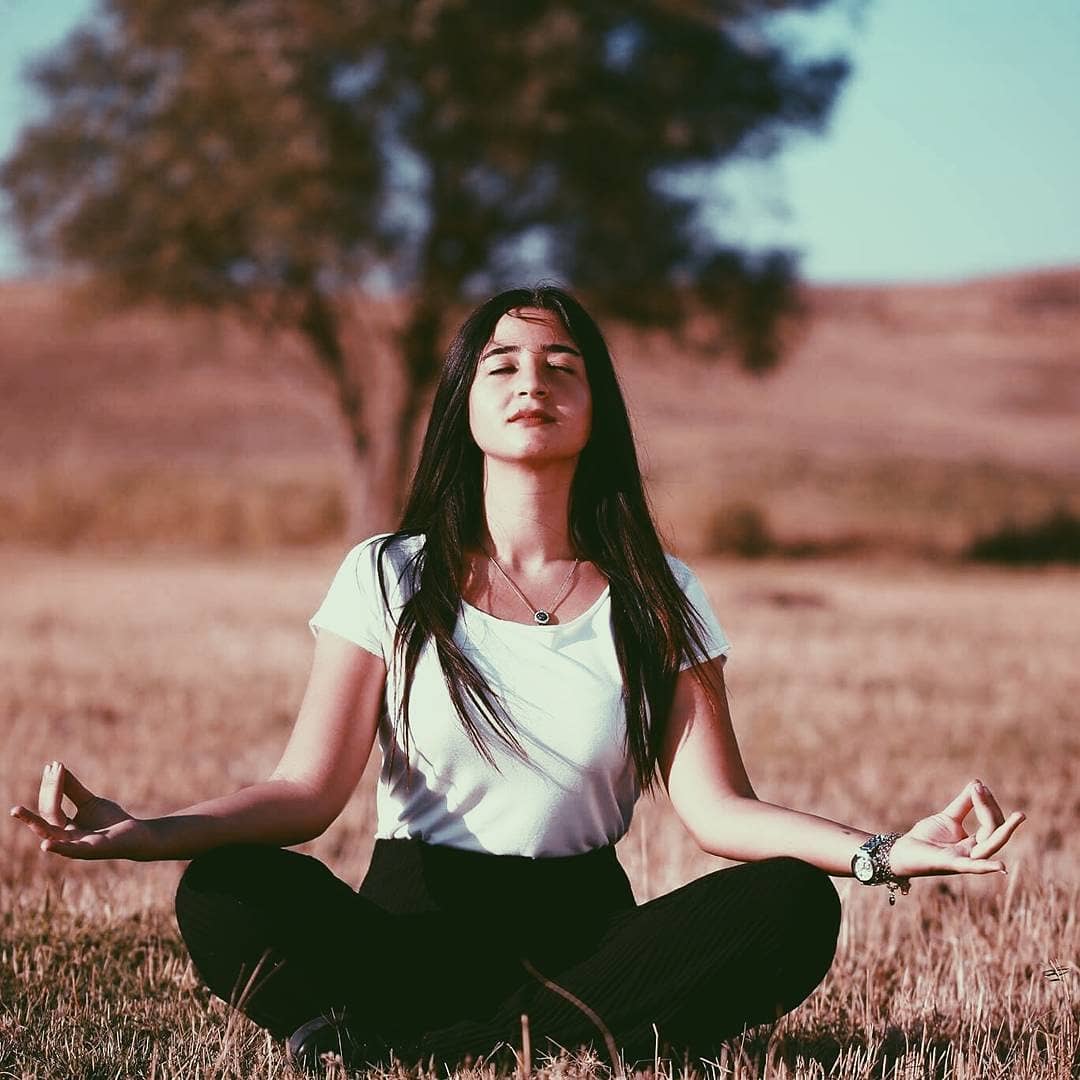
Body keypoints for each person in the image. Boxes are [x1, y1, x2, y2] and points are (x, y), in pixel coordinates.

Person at [10, 286, 1025, 1073]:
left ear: (596, 406)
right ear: (465, 403)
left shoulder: (658, 592)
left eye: (561, 364)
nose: (531, 380)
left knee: (791, 910)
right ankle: (527, 1045)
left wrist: (882, 853)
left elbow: (719, 811)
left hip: (585, 951)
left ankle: (427, 1049)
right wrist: (150, 828)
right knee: (230, 890)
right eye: (501, 363)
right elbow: (304, 795)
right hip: (407, 935)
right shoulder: (387, 574)